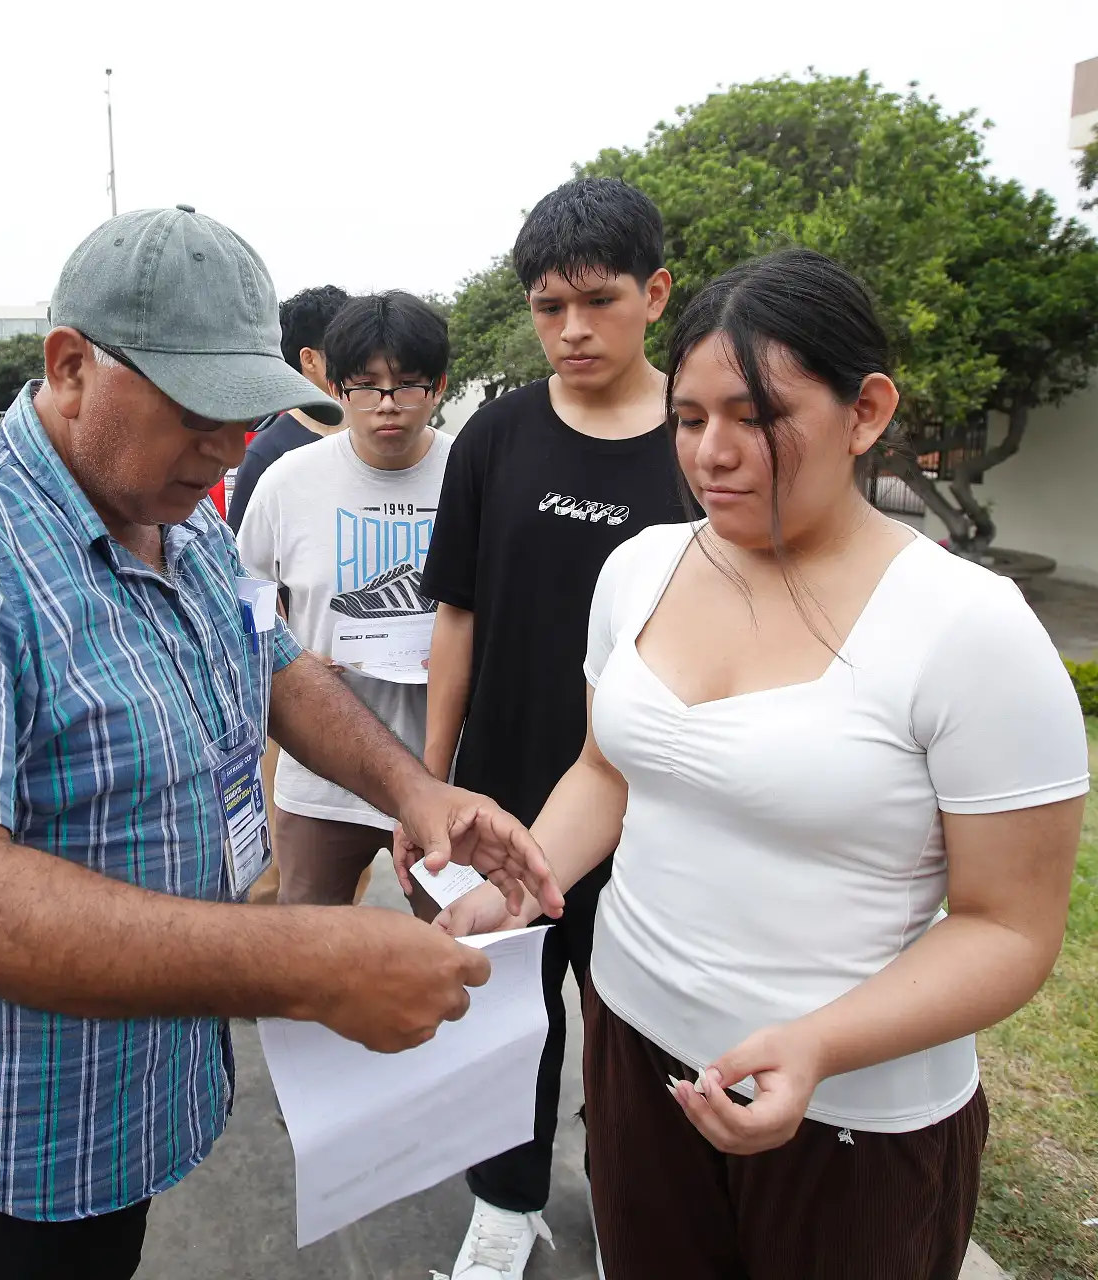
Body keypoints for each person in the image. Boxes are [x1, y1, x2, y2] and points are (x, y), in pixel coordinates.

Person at [0, 206, 560, 1280]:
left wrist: (415, 791)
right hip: (5, 1139)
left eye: (249, 414)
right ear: (69, 367)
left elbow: (278, 664)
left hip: (135, 1089)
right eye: (199, 411)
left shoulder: (177, 515)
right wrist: (307, 959)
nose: (233, 445)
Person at [430, 248, 1089, 1279]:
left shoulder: (969, 628)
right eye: (689, 420)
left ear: (865, 410)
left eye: (758, 417)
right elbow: (607, 772)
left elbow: (1010, 925)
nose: (713, 454)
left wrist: (822, 1044)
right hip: (635, 1047)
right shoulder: (642, 566)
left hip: (850, 1116)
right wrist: (517, 884)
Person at [416, 176, 691, 1280]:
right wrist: (426, 784)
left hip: (660, 805)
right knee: (503, 1022)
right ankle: (506, 1200)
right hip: (504, 793)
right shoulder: (497, 434)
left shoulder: (705, 439)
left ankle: (642, 1212)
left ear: (656, 294)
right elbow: (457, 614)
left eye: (597, 299)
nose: (571, 328)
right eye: (546, 305)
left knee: (637, 1033)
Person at [236, 291, 453, 906]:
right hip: (320, 773)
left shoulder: (471, 471)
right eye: (365, 386)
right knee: (308, 944)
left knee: (458, 948)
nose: (387, 406)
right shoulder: (287, 480)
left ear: (438, 385)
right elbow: (247, 588)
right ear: (335, 385)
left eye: (407, 385)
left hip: (442, 768)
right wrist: (285, 652)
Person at [225, 284, 350, 531]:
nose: (359, 359)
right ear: (309, 359)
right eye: (346, 348)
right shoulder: (266, 454)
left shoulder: (371, 437)